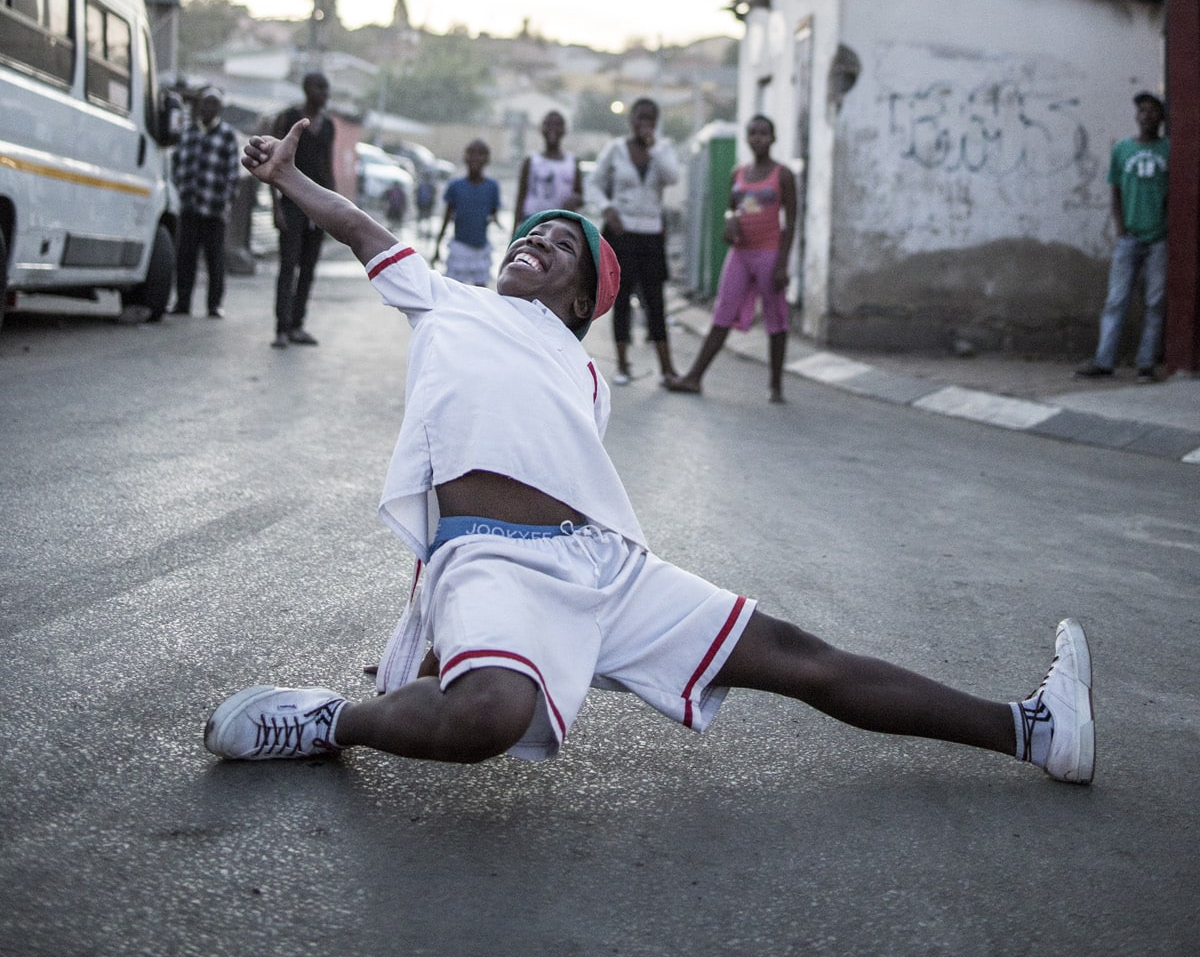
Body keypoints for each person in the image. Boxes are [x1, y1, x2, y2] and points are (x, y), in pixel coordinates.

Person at [204, 119, 1096, 789]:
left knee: (795, 652)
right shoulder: (446, 301)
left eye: (558, 246)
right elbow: (359, 227)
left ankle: (1032, 728)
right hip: (491, 560)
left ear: (584, 295)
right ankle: (333, 723)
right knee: (490, 713)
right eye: (532, 233)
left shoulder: (586, 378)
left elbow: (546, 462)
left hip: (604, 567)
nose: (534, 242)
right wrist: (290, 178)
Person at [667, 115, 797, 404]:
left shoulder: (783, 175)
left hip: (769, 253)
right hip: (740, 253)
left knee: (776, 319)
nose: (758, 138)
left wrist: (782, 263)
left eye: (764, 133)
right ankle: (694, 377)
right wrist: (729, 221)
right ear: (747, 138)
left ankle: (776, 385)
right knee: (722, 313)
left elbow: (791, 221)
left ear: (773, 138)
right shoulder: (738, 173)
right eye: (753, 133)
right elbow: (732, 209)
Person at [1077, 91, 1169, 381]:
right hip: (1129, 238)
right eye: (1142, 110)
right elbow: (1115, 190)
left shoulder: (1170, 149)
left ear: (1161, 117)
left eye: (1153, 110)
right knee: (1116, 300)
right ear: (1136, 116)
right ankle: (1104, 362)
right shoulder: (1122, 150)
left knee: (1155, 302)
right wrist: (1119, 226)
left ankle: (1145, 365)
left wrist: (1166, 226)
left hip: (1159, 239)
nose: (1146, 115)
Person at [586, 98, 679, 385]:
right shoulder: (615, 149)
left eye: (651, 118)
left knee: (655, 301)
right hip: (621, 232)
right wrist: (606, 208)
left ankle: (667, 368)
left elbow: (672, 176)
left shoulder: (663, 149)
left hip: (651, 233)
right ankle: (623, 365)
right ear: (632, 119)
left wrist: (654, 148)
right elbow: (593, 183)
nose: (645, 123)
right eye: (640, 117)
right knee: (622, 298)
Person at [270, 72, 336, 350]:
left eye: (326, 88)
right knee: (288, 267)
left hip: (319, 205)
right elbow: (272, 163)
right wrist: (276, 206)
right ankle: (281, 329)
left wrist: (333, 207)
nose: (324, 93)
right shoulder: (288, 119)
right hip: (292, 203)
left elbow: (327, 166)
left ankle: (298, 325)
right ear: (307, 89)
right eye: (319, 87)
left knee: (308, 268)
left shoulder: (329, 125)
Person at [169, 87, 241, 318]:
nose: (207, 109)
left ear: (218, 108)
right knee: (185, 257)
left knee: (214, 259)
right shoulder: (188, 133)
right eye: (204, 104)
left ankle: (214, 304)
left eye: (212, 104)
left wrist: (226, 198)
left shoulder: (227, 135)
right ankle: (183, 302)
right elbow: (177, 164)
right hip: (189, 206)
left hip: (214, 209)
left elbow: (232, 172)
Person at [433, 140, 501, 285]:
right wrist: (437, 248)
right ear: (465, 157)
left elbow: (494, 214)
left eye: (480, 154)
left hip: (481, 249)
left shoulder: (492, 187)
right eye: (471, 153)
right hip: (460, 248)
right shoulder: (456, 186)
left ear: (487, 159)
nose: (475, 157)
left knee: (481, 293)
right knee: (453, 291)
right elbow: (446, 220)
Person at [512, 111, 583, 230]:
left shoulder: (572, 162)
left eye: (558, 124)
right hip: (531, 221)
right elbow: (520, 197)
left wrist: (576, 198)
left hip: (560, 223)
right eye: (548, 124)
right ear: (541, 129)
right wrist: (514, 230)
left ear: (564, 130)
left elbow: (581, 195)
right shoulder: (531, 160)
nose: (553, 128)